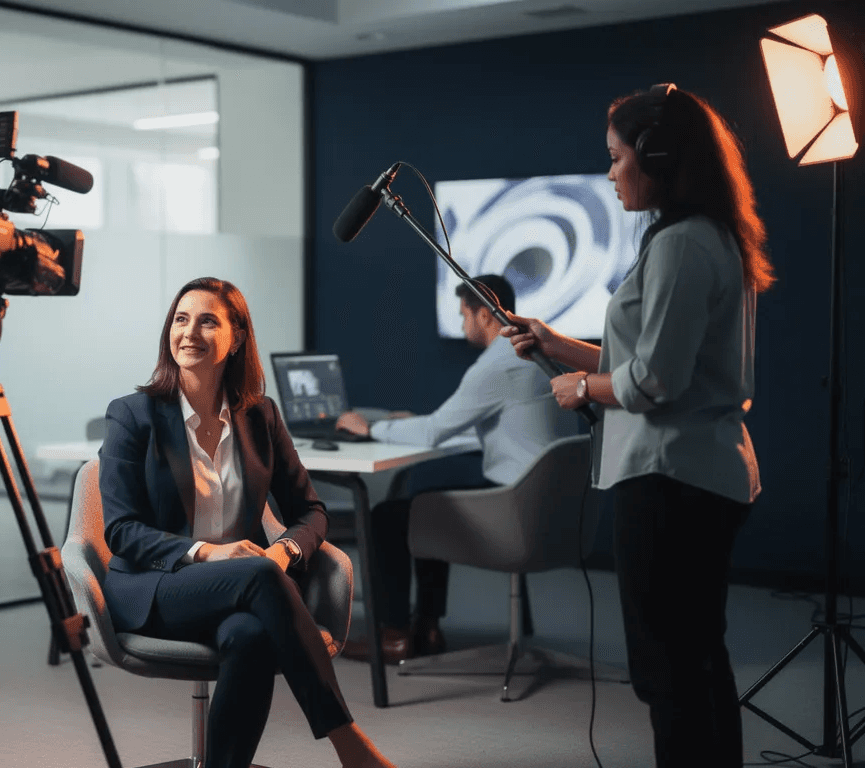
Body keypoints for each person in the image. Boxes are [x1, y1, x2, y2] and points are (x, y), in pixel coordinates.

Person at [502, 84, 772, 767]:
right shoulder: (706, 236)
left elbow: (653, 382)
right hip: (697, 473)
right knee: (698, 658)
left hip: (668, 478)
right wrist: (556, 343)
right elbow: (648, 357)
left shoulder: (682, 244)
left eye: (617, 156)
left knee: (667, 671)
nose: (611, 172)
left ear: (659, 157)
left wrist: (579, 387)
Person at [99, 277, 397, 768]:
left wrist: (285, 551)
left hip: (245, 586)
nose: (189, 332)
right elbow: (121, 531)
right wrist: (211, 553)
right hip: (157, 587)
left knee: (251, 635)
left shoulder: (260, 415)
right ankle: (348, 742)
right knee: (258, 574)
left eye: (207, 320)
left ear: (235, 337)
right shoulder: (133, 415)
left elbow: (311, 511)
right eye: (181, 319)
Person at [334, 275, 579, 664]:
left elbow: (435, 431)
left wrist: (373, 428)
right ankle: (427, 628)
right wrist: (415, 425)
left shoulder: (498, 362)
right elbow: (484, 433)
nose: (463, 324)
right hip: (547, 504)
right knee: (422, 501)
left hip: (514, 510)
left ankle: (392, 635)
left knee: (387, 517)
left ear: (484, 314)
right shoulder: (537, 357)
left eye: (464, 314)